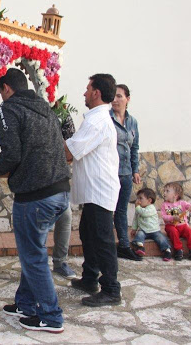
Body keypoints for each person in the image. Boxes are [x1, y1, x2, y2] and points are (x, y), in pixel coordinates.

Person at [0, 68, 70, 333]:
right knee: (35, 250)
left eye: (0, 91)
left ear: (7, 88)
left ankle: (52, 317)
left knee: (33, 256)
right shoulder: (43, 106)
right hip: (60, 191)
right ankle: (26, 304)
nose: (1, 96)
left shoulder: (8, 109)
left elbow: (12, 155)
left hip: (36, 196)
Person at [65, 73, 122, 307]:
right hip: (93, 191)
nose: (84, 93)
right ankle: (90, 278)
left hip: (99, 190)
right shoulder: (96, 118)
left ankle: (111, 289)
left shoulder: (97, 121)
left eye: (88, 89)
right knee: (88, 234)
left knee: (103, 240)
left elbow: (71, 152)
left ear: (97, 93)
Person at [110, 84, 142, 261]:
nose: (115, 99)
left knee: (121, 210)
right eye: (113, 96)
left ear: (127, 99)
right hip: (110, 173)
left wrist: (135, 169)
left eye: (119, 96)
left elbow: (134, 148)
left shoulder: (132, 122)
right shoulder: (107, 118)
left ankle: (123, 245)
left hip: (126, 173)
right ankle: (106, 246)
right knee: (107, 211)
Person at [52, 108, 77, 280]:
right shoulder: (32, 108)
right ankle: (31, 265)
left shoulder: (62, 112)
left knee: (65, 216)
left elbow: (72, 143)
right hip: (36, 176)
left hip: (59, 174)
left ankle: (60, 262)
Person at [130, 188, 172, 261]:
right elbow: (135, 219)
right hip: (143, 230)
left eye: (140, 198)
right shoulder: (139, 209)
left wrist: (137, 207)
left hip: (154, 230)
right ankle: (140, 247)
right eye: (138, 198)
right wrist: (134, 229)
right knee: (139, 235)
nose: (138, 201)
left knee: (161, 238)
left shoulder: (151, 208)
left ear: (149, 200)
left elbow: (144, 213)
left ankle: (166, 251)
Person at [161, 182, 191, 261]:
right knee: (173, 231)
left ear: (175, 195)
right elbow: (164, 216)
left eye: (167, 191)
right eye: (164, 191)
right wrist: (172, 217)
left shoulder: (182, 203)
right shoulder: (164, 205)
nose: (164, 193)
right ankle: (178, 250)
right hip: (171, 226)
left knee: (189, 232)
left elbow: (190, 207)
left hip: (183, 226)